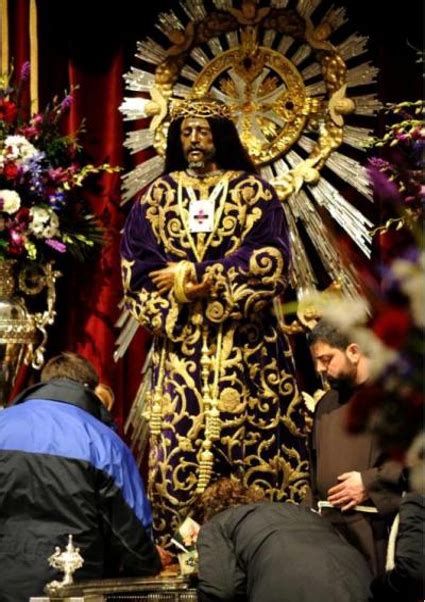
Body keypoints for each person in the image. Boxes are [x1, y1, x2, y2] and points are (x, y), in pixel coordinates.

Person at [120, 96, 309, 545]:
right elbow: (136, 269)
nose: (194, 141)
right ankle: (180, 554)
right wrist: (184, 295)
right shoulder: (157, 198)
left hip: (249, 349)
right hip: (182, 352)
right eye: (186, 132)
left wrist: (202, 276)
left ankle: (267, 550)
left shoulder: (253, 193)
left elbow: (271, 257)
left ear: (221, 137)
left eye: (203, 131)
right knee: (179, 455)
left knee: (256, 457)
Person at [0, 352, 161, 602]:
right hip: (72, 589)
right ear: (91, 389)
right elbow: (131, 536)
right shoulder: (105, 444)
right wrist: (149, 564)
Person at [306, 319, 403, 576]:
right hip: (330, 532)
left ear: (354, 351)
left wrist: (368, 482)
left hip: (375, 530)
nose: (319, 369)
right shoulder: (325, 404)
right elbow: (313, 466)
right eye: (316, 361)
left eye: (326, 359)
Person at [195, 478, 372, 602]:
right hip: (360, 582)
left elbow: (221, 591)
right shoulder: (299, 511)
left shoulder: (217, 524)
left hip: (294, 589)